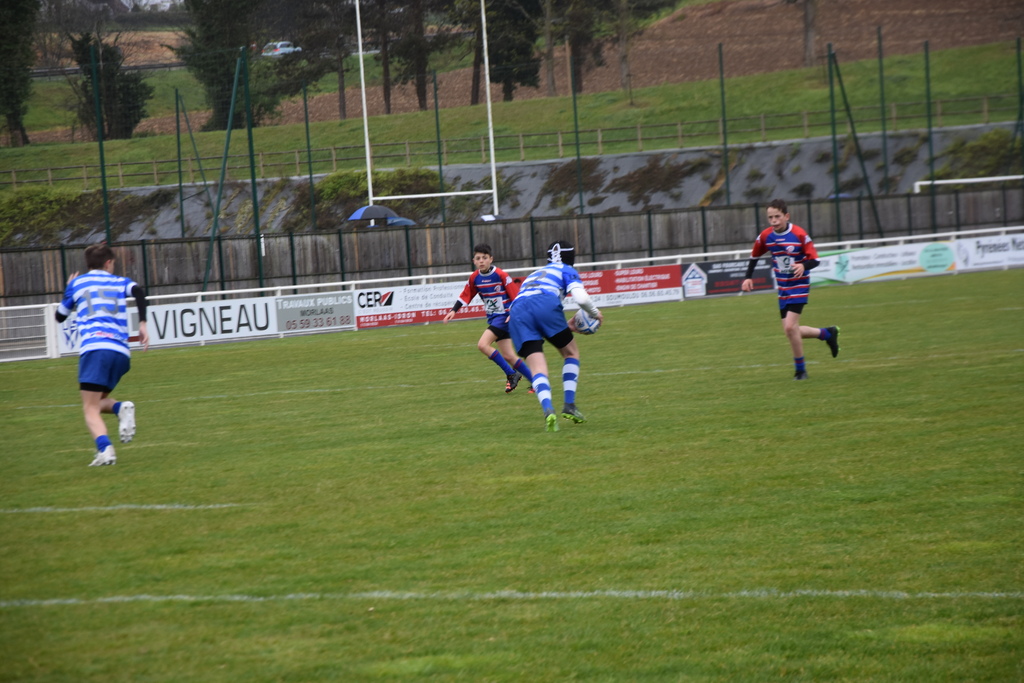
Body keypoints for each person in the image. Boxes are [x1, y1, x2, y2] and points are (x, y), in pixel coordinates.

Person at [56, 243, 150, 466]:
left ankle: (105, 450)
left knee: (89, 408)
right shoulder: (119, 281)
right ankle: (119, 408)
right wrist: (143, 323)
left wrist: (68, 290)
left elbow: (60, 316)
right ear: (108, 263)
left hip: (96, 349)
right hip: (121, 353)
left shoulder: (77, 283)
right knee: (97, 403)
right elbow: (138, 291)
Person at [509, 240, 603, 432]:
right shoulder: (566, 269)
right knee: (571, 353)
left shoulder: (534, 274)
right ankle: (569, 405)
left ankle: (548, 410)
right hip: (545, 303)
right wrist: (595, 313)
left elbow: (531, 310)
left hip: (517, 312)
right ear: (571, 258)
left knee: (537, 367)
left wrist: (566, 326)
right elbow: (581, 298)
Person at [740, 198, 840, 380]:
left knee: (789, 327)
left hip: (799, 286)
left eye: (777, 216)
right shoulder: (766, 236)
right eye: (770, 217)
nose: (774, 221)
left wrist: (803, 265)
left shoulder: (799, 234)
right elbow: (754, 256)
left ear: (786, 216)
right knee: (791, 330)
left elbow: (815, 260)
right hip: (783, 288)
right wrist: (748, 277)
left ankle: (800, 371)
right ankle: (827, 333)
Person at [442, 244, 533, 393]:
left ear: (491, 259)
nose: (481, 261)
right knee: (509, 355)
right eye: (478, 258)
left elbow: (516, 296)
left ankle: (511, 374)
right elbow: (466, 294)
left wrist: (514, 313)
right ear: (474, 261)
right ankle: (536, 381)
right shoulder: (475, 277)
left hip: (504, 317)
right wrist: (454, 310)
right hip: (494, 318)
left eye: (484, 258)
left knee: (483, 345)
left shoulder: (501, 275)